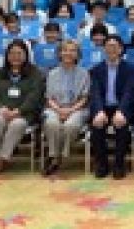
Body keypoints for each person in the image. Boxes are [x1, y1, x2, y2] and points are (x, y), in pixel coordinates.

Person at [0, 40, 44, 177]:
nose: (15, 56)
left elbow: (35, 96)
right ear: (7, 56)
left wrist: (19, 111)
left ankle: (1, 160)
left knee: (17, 124)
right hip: (1, 112)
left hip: (24, 114)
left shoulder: (35, 74)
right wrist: (1, 108)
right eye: (12, 53)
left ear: (26, 55)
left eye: (19, 53)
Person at [89, 35, 134, 179]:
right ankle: (101, 163)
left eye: (115, 46)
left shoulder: (130, 69)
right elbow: (95, 92)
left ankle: (119, 164)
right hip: (103, 108)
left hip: (122, 107)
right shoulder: (96, 69)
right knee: (97, 126)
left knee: (121, 126)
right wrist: (99, 111)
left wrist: (121, 111)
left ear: (121, 49)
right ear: (104, 49)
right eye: (108, 46)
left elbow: (129, 92)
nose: (112, 49)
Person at [43, 40, 90, 176]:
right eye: (65, 50)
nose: (68, 53)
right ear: (59, 53)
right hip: (54, 108)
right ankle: (54, 156)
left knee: (71, 125)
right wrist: (58, 110)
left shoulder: (84, 74)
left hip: (77, 108)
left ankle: (60, 157)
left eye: (72, 50)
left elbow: (84, 98)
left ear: (78, 54)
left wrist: (70, 110)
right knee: (51, 123)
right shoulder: (52, 73)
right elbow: (49, 98)